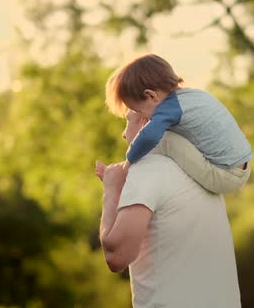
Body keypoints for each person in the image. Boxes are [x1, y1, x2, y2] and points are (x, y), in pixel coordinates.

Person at [96, 110, 241, 308]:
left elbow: (116, 256)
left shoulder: (148, 168)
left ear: (146, 122)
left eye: (127, 121)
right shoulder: (202, 174)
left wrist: (111, 190)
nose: (123, 134)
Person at [104, 54, 252, 194]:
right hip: (241, 168)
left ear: (151, 95)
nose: (144, 118)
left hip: (225, 177)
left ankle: (131, 172)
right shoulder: (192, 96)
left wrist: (128, 163)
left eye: (139, 111)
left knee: (164, 138)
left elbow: (148, 137)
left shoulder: (169, 108)